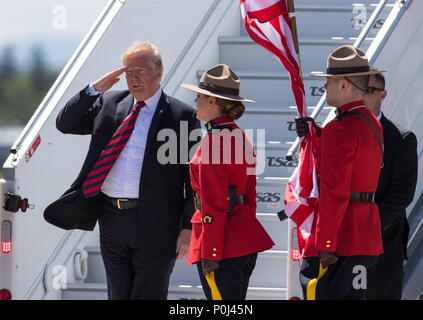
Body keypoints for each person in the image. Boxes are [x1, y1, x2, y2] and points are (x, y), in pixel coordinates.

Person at [44, 41, 201, 299]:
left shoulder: (182, 116)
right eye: (128, 71)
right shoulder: (108, 103)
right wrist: (94, 89)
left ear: (158, 72)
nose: (133, 77)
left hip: (157, 224)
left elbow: (193, 180)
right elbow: (65, 123)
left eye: (140, 70)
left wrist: (188, 226)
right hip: (112, 220)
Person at [295, 45, 385, 300]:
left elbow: (335, 191)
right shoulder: (370, 121)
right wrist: (317, 134)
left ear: (343, 85)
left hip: (340, 238)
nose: (324, 88)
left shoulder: (340, 128)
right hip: (365, 235)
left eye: (329, 82)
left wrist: (325, 244)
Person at [181, 64, 274, 300]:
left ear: (213, 101)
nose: (195, 101)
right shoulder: (239, 136)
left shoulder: (215, 141)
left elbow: (212, 202)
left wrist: (211, 251)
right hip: (242, 238)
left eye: (200, 96)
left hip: (222, 245)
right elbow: (250, 194)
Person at [363, 71, 418, 300]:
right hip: (343, 248)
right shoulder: (338, 132)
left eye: (367, 91)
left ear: (382, 95)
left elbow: (401, 195)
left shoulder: (402, 138)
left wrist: (366, 229)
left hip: (384, 246)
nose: (360, 96)